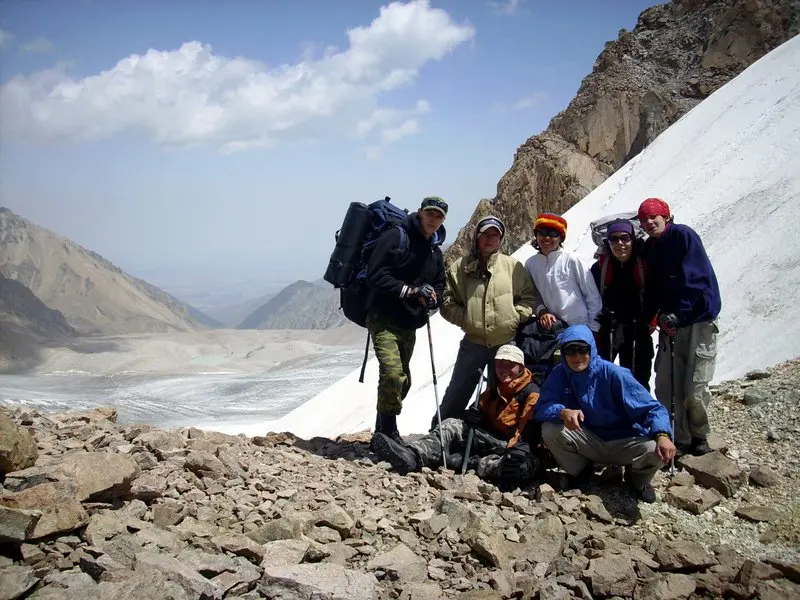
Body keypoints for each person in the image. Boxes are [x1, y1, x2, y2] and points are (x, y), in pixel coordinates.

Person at [535, 325, 676, 503]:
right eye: (570, 350)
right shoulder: (559, 374)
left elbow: (653, 409)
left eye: (582, 349)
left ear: (592, 349)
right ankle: (582, 473)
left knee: (655, 450)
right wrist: (562, 412)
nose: (577, 356)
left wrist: (663, 435)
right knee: (550, 429)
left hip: (625, 440)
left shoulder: (614, 374)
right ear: (563, 353)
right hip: (589, 439)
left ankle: (638, 481)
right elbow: (541, 408)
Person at [371, 344, 541, 493]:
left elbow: (527, 430)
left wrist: (516, 453)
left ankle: (467, 462)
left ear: (520, 367)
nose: (503, 369)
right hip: (491, 440)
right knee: (452, 424)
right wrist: (472, 416)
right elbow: (478, 412)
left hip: (514, 447)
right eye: (499, 365)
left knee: (518, 467)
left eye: (510, 365)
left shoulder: (530, 393)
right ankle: (414, 454)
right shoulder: (495, 390)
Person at [433, 215, 537, 429]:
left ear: (500, 239)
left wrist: (514, 317)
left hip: (506, 343)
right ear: (477, 237)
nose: (490, 239)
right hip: (474, 340)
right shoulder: (460, 267)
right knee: (458, 392)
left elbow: (528, 297)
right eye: (485, 234)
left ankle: (493, 437)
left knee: (503, 392)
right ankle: (438, 435)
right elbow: (446, 301)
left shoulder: (512, 267)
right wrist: (466, 319)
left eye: (495, 235)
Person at [638, 197, 721, 456]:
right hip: (671, 323)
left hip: (698, 321)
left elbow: (695, 279)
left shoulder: (684, 236)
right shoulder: (651, 247)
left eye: (654, 217)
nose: (650, 222)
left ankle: (699, 435)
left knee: (694, 387)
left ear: (667, 217)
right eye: (644, 219)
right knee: (668, 384)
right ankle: (679, 436)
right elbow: (652, 287)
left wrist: (678, 313)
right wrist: (650, 317)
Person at [366, 196, 447, 446]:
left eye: (439, 216)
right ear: (420, 212)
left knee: (404, 379)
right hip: (383, 317)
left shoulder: (434, 250)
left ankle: (381, 427)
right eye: (430, 213)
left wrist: (434, 298)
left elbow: (439, 285)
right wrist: (411, 291)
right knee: (392, 374)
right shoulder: (396, 237)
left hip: (409, 322)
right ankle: (389, 431)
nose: (434, 219)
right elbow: (375, 275)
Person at [590, 218, 655, 390]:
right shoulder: (599, 268)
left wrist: (651, 320)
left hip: (638, 328)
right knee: (602, 377)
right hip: (608, 328)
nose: (620, 243)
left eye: (625, 238)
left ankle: (638, 414)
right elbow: (590, 297)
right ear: (608, 242)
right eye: (614, 239)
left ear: (633, 239)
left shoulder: (644, 264)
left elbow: (656, 293)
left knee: (638, 379)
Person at [524, 213, 603, 337]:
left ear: (561, 237)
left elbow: (592, 295)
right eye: (542, 232)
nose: (547, 238)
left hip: (581, 327)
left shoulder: (572, 260)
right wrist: (542, 312)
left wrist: (593, 329)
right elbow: (533, 295)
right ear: (536, 235)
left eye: (553, 233)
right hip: (553, 330)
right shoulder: (531, 264)